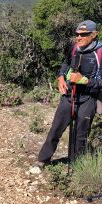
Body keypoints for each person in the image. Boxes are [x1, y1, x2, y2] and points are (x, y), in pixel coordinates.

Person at [36, 20, 102, 167]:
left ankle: (75, 165)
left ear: (94, 35)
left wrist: (84, 80)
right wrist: (60, 77)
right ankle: (42, 160)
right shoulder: (73, 48)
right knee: (56, 128)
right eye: (77, 34)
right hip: (69, 95)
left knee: (80, 136)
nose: (78, 37)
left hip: (89, 98)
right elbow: (66, 63)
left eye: (83, 34)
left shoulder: (100, 52)